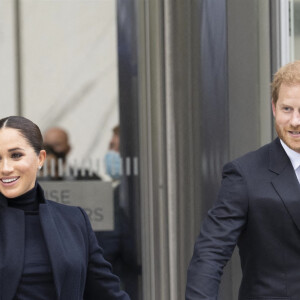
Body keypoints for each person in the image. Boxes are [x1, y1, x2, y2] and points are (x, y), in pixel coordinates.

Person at [186, 60, 300, 299]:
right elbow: (210, 253)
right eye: (287, 109)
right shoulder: (245, 174)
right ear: (273, 108)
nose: (295, 122)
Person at [0, 116, 130, 300]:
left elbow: (106, 292)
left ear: (40, 158)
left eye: (16, 155)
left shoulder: (74, 220)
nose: (5, 168)